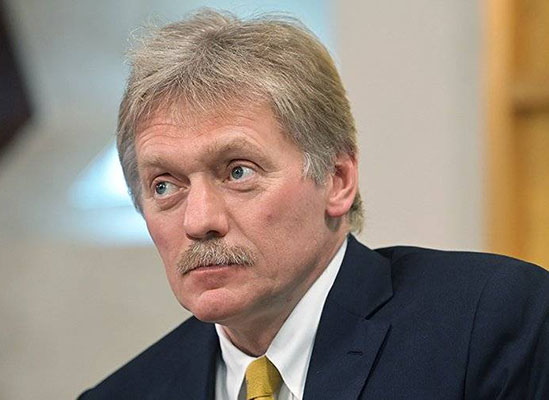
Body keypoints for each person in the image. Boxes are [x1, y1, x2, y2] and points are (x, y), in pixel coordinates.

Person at [79, 9, 548, 400]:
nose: (199, 220)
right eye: (165, 186)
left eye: (238, 171)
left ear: (337, 180)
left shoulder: (493, 323)